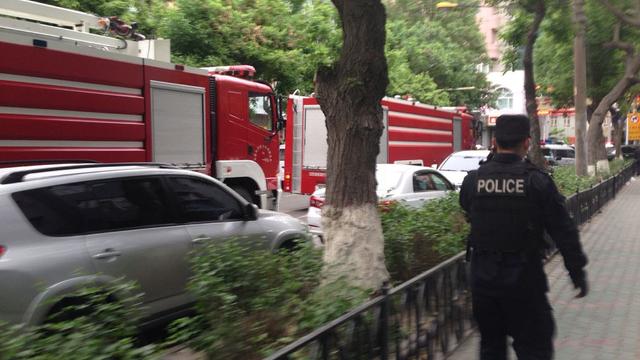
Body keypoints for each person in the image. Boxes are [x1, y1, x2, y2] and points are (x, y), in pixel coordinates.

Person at [459, 114, 588, 360]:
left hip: (484, 283)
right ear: (527, 143)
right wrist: (576, 271)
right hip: (524, 283)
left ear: (494, 141)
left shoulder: (473, 180)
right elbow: (564, 230)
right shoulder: (537, 182)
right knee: (534, 351)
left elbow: (468, 207)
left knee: (491, 348)